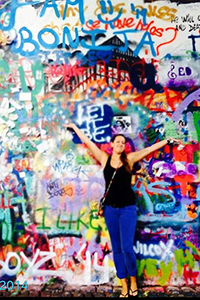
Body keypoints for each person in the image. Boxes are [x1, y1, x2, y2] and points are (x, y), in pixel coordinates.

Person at [65, 122, 179, 298]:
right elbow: (88, 142)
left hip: (128, 209)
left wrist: (166, 141)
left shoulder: (130, 159)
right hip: (111, 210)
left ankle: (133, 281)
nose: (120, 144)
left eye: (122, 143)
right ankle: (123, 283)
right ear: (111, 145)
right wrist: (74, 127)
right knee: (116, 249)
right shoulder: (104, 158)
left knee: (127, 248)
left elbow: (148, 150)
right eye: (117, 142)